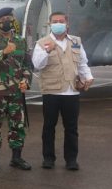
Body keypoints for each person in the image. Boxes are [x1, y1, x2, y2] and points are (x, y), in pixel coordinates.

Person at [32, 11, 93, 170]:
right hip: (51, 92)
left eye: (61, 21)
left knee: (71, 128)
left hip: (71, 91)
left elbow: (82, 63)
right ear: (50, 24)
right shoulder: (42, 43)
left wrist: (88, 76)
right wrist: (47, 51)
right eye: (54, 21)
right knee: (49, 127)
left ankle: (71, 160)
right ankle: (48, 158)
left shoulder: (76, 41)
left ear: (67, 23)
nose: (58, 24)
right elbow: (37, 65)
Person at [0, 7, 32, 171]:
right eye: (4, 19)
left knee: (17, 125)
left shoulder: (20, 40)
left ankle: (16, 158)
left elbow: (27, 65)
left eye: (10, 18)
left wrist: (26, 80)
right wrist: (3, 52)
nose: (8, 22)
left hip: (16, 92)